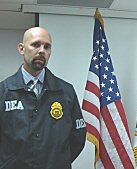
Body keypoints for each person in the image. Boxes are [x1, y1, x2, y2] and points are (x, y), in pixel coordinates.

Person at [0, 27, 87, 168]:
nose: (42, 51)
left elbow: (77, 137)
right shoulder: (4, 91)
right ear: (22, 49)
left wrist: (60, 161)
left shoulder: (65, 91)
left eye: (47, 47)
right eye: (35, 45)